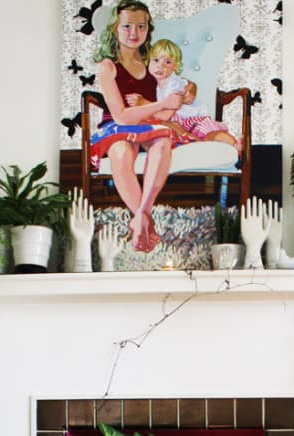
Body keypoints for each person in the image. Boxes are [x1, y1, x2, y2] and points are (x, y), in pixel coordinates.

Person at [92, 1, 184, 252]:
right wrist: (159, 104)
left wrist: (174, 101)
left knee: (163, 141)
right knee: (121, 152)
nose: (134, 33)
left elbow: (168, 102)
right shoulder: (108, 66)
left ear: (148, 29)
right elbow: (120, 116)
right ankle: (145, 221)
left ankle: (141, 215)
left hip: (149, 125)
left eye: (140, 26)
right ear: (115, 29)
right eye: (127, 26)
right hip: (116, 126)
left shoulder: (152, 62)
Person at [144, 39, 239, 150]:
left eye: (168, 62)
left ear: (175, 66)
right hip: (183, 125)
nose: (160, 66)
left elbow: (167, 114)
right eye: (156, 60)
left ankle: (235, 145)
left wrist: (144, 104)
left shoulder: (175, 83)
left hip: (194, 120)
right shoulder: (156, 86)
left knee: (212, 135)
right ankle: (196, 142)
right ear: (148, 61)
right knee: (202, 140)